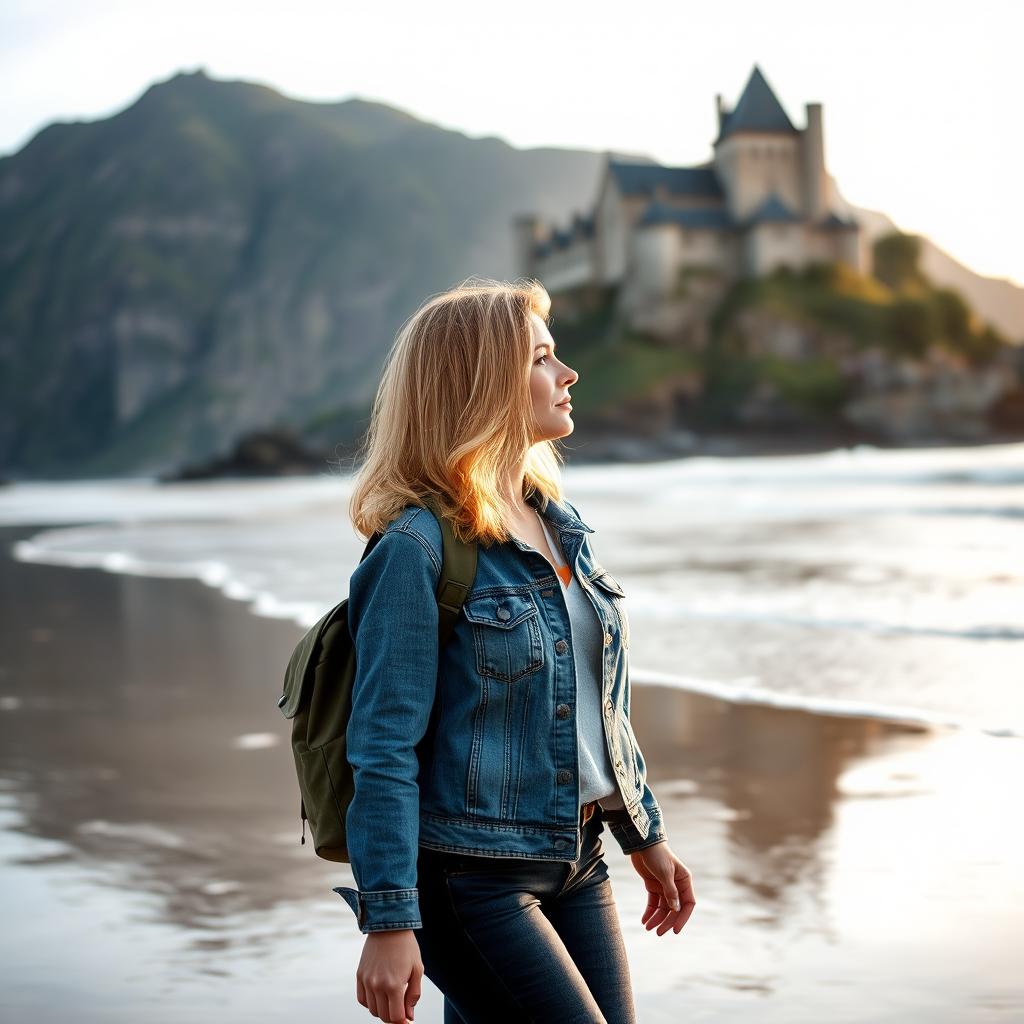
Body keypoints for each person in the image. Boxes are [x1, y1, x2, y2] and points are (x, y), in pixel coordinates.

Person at [337, 277, 696, 1024]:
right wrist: (390, 920)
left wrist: (641, 831)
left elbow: (595, 708)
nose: (568, 375)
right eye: (543, 358)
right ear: (484, 384)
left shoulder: (558, 524)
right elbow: (381, 747)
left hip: (579, 856)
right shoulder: (414, 548)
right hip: (471, 880)